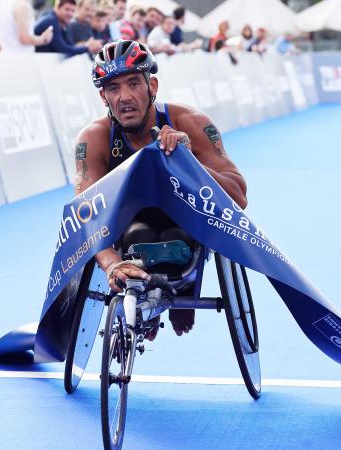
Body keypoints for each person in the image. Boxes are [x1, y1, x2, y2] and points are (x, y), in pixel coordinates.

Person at [76, 40, 248, 337]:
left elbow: (238, 197)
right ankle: (144, 293)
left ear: (152, 86)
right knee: (138, 235)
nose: (124, 97)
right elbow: (85, 214)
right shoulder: (93, 138)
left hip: (185, 224)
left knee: (174, 238)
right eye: (113, 89)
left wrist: (188, 161)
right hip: (130, 229)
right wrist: (110, 265)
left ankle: (186, 284)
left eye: (133, 84)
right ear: (103, 97)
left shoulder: (192, 122)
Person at [34, 0, 101, 56]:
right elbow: (63, 49)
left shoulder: (62, 22)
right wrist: (87, 48)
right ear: (57, 8)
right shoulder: (51, 21)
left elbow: (69, 45)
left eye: (72, 11)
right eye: (67, 9)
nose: (70, 13)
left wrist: (86, 46)